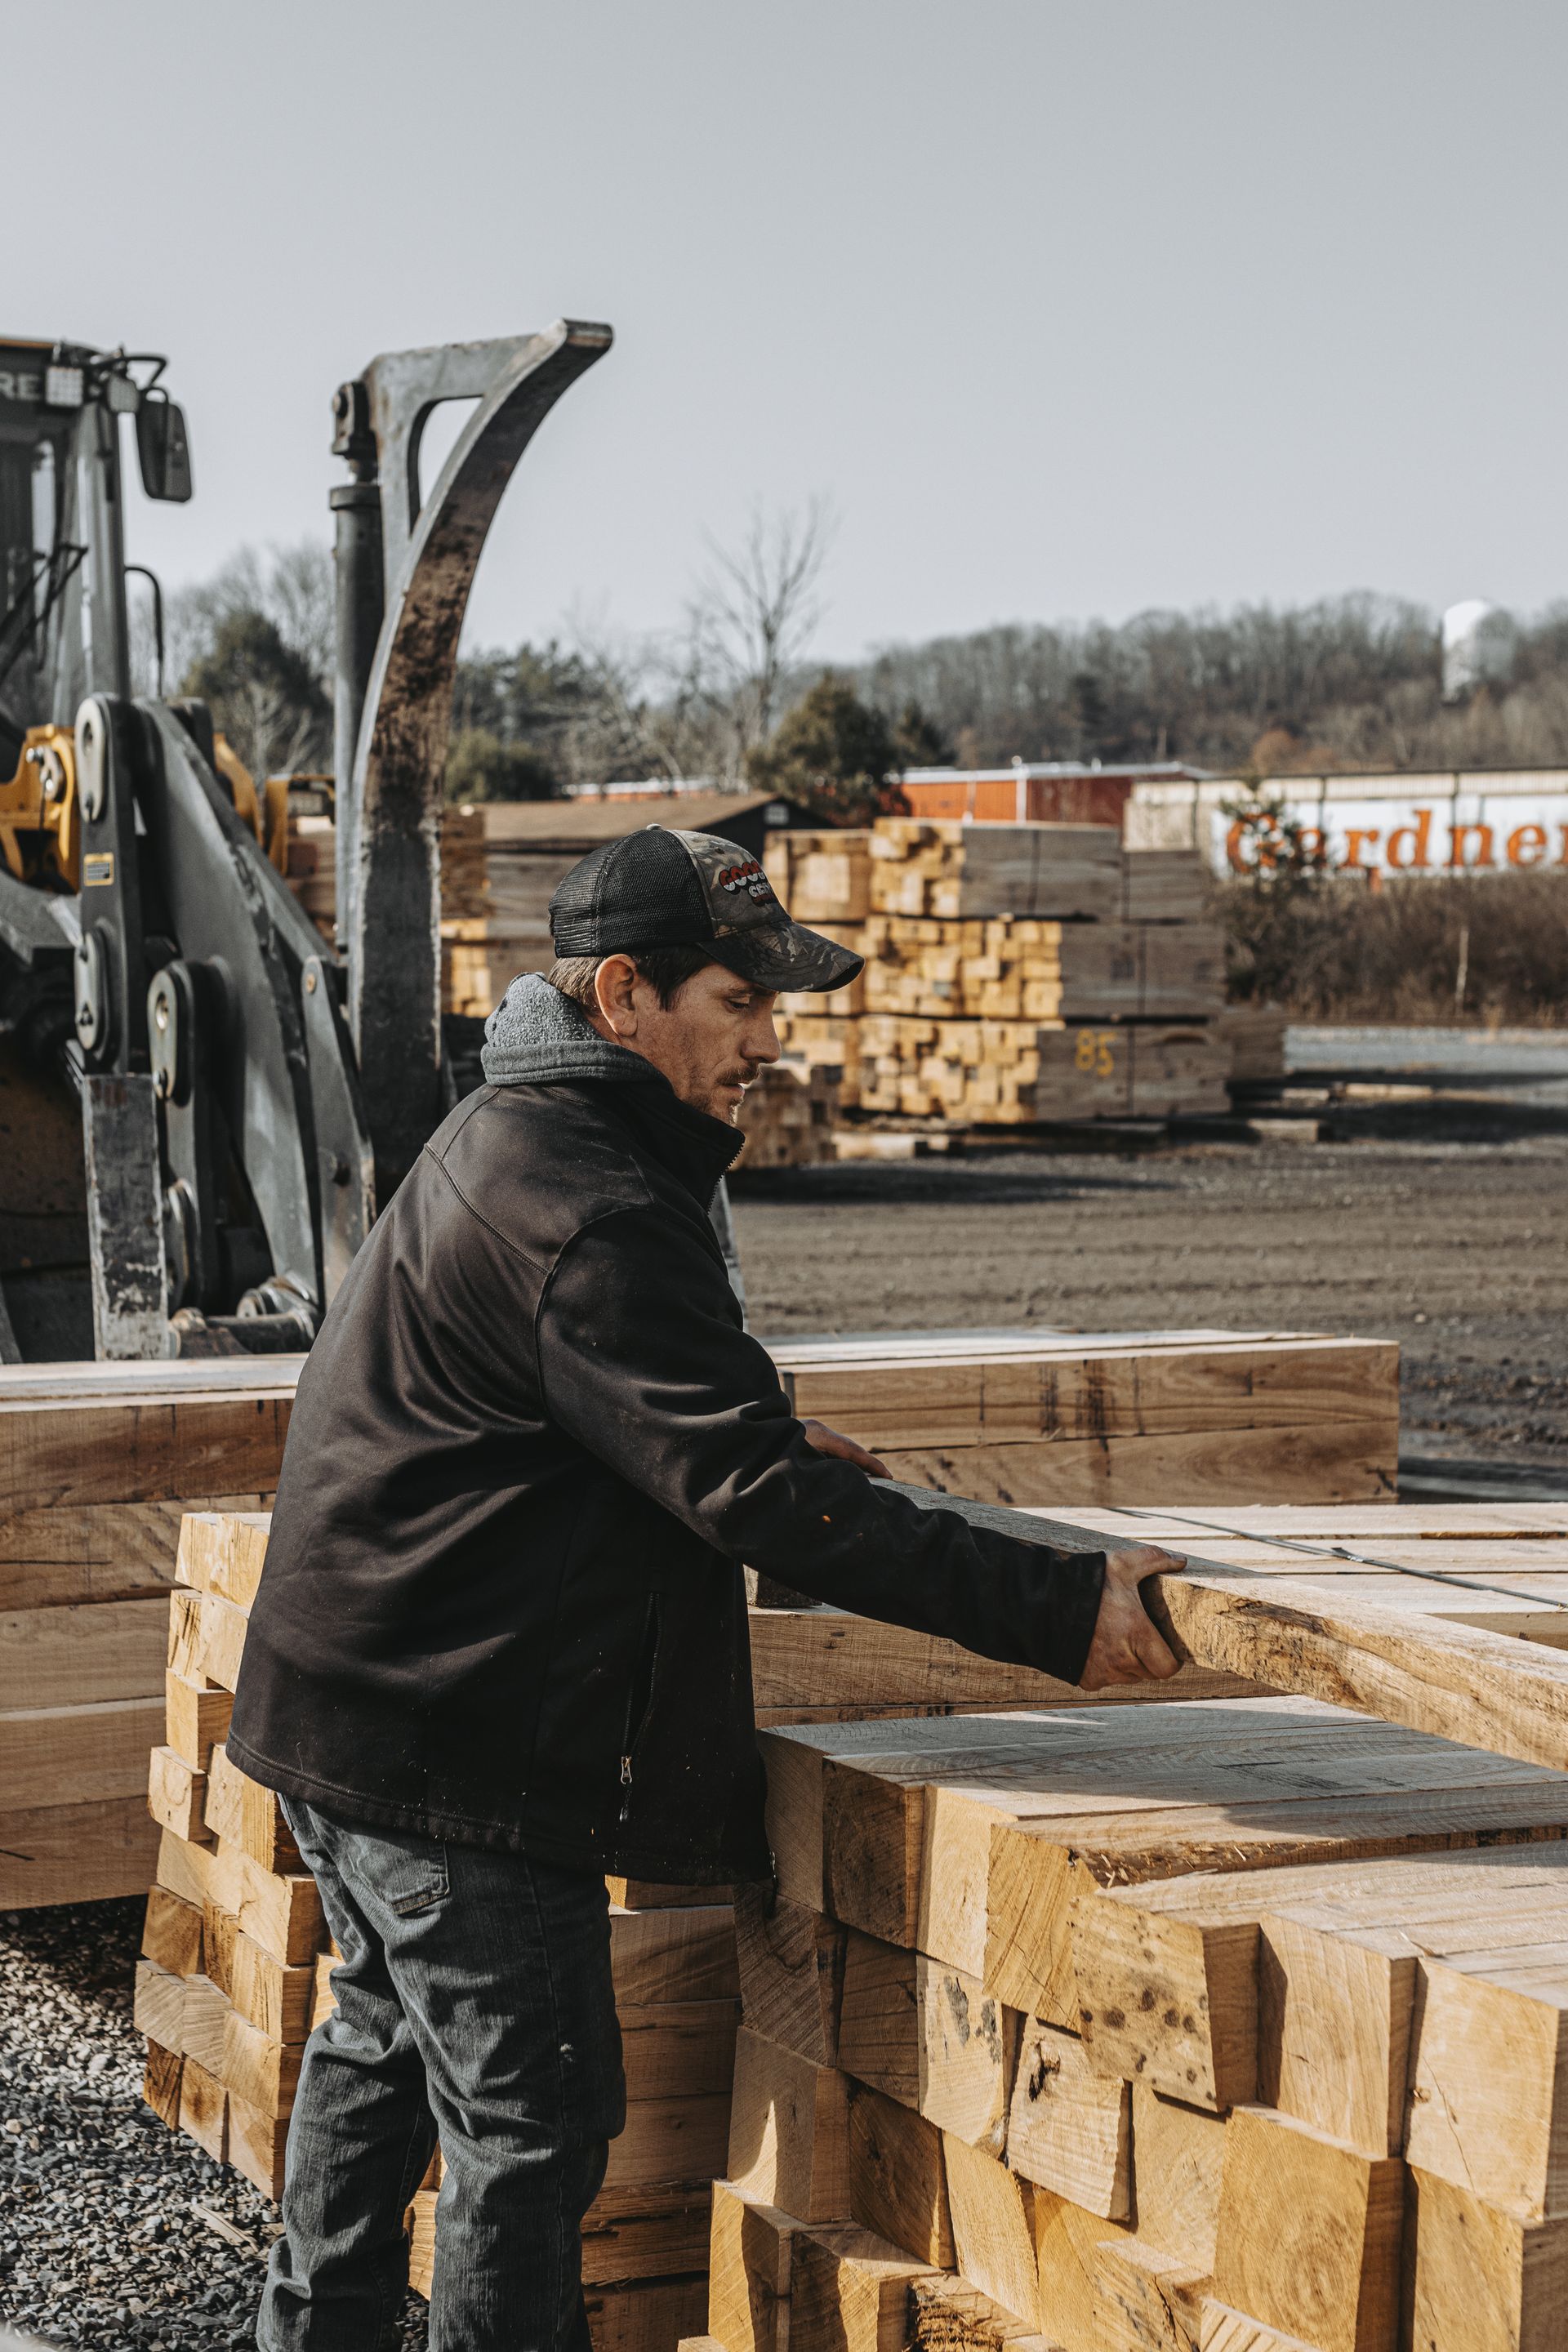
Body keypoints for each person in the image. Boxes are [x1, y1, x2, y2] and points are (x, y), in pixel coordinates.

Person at [229, 822, 1182, 2352]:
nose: (768, 1041)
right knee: (531, 2119)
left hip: (347, 1704)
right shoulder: (597, 1200)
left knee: (382, 2040)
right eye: (738, 1002)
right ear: (622, 995)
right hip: (445, 1743)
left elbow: (573, 1388)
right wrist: (1063, 1604)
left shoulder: (513, 1130)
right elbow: (770, 1511)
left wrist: (746, 1426)